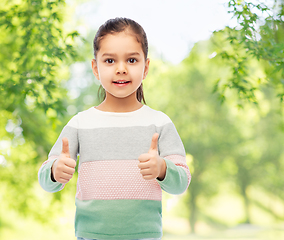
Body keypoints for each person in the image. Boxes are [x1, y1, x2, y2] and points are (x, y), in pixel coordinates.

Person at [38, 17, 191, 240]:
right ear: (95, 68)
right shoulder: (80, 123)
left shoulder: (160, 123)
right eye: (110, 61)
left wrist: (162, 168)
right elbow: (46, 177)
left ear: (146, 67)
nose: (121, 69)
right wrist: (54, 172)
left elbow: (181, 182)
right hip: (90, 235)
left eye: (131, 60)